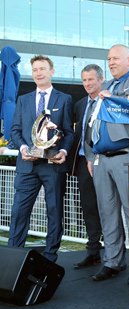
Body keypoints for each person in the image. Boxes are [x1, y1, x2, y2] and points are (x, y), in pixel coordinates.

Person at [90, 44, 129, 282]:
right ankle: (112, 262)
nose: (111, 62)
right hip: (101, 159)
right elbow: (92, 120)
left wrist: (115, 98)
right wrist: (90, 155)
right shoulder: (105, 85)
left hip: (127, 156)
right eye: (108, 58)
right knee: (107, 213)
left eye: (116, 58)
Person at [8, 55, 74, 263]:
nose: (38, 73)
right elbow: (16, 130)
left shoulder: (64, 99)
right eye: (35, 69)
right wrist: (23, 147)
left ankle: (49, 258)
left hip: (52, 165)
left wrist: (63, 151)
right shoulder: (23, 100)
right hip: (27, 164)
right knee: (19, 211)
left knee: (54, 212)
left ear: (51, 71)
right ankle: (13, 257)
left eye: (42, 69)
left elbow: (68, 132)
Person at [68, 64, 104, 269]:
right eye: (84, 80)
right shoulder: (80, 104)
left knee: (110, 207)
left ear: (100, 79)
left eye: (91, 79)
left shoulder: (108, 101)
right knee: (88, 207)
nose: (87, 84)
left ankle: (117, 253)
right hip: (83, 162)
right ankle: (93, 251)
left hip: (103, 160)